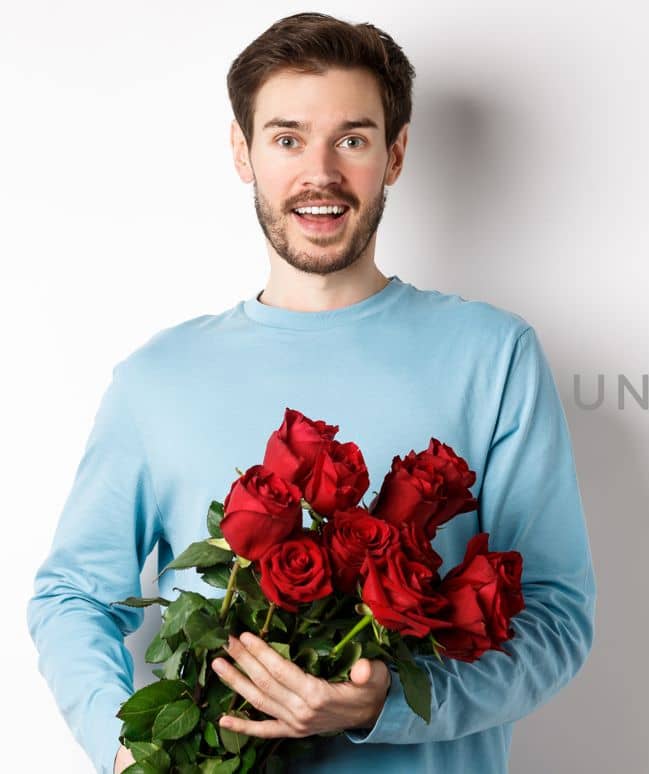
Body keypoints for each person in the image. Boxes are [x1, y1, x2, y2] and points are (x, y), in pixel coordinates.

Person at [24, 12, 596, 774]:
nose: (319, 172)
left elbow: (555, 620)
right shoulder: (155, 380)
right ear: (243, 152)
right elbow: (70, 596)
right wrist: (128, 751)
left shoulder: (494, 357)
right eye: (287, 138)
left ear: (394, 155)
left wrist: (385, 701)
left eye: (352, 139)